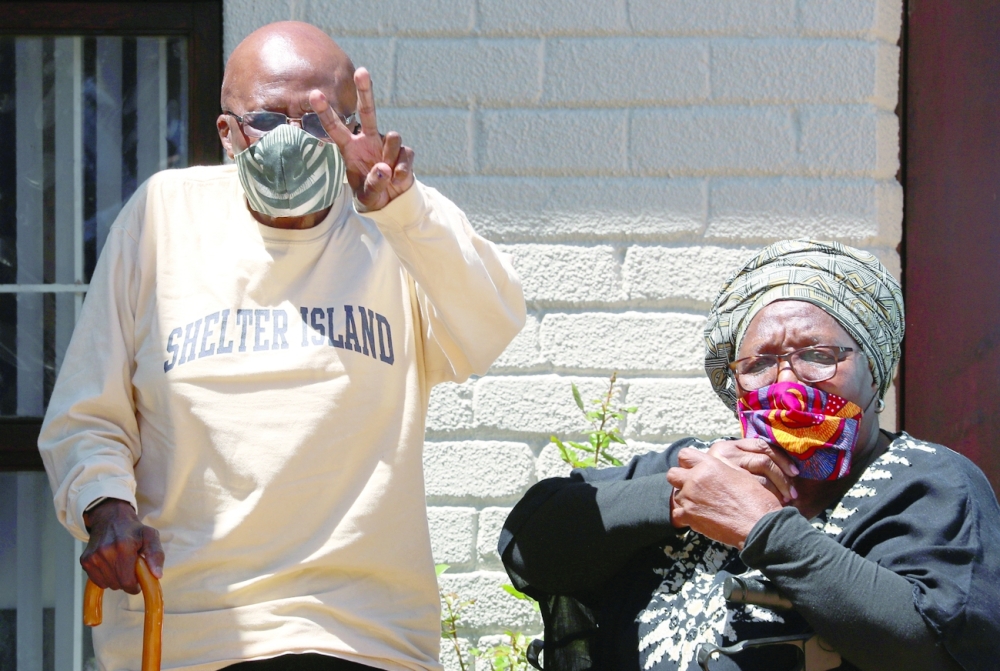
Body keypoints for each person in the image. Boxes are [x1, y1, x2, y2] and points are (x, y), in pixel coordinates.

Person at [39, 21, 525, 671]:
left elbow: (488, 326)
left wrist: (403, 213)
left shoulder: (393, 222)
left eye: (321, 117)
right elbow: (86, 414)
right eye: (270, 117)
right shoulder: (164, 217)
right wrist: (105, 504)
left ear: (354, 124)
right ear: (227, 134)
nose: (296, 139)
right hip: (187, 631)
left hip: (357, 633)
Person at [500, 240, 1000, 671]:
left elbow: (942, 648)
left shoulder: (927, 485)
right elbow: (526, 550)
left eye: (818, 355)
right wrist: (675, 500)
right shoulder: (700, 467)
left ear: (877, 371)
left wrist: (766, 529)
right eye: (759, 363)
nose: (786, 383)